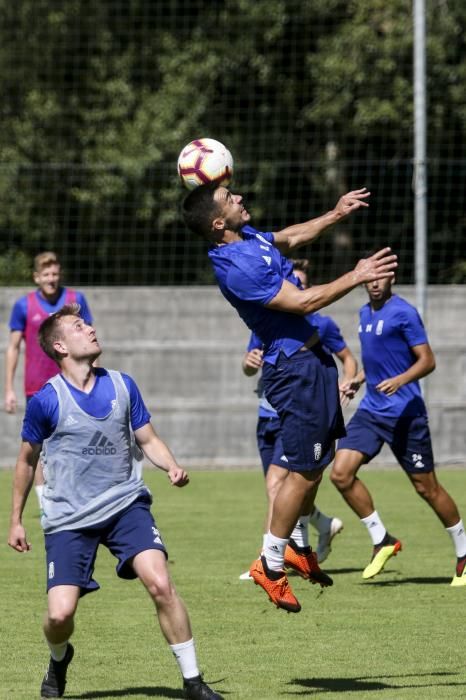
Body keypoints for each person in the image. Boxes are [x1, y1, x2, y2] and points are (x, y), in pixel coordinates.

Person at [182, 182, 397, 613]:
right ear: (218, 222)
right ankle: (271, 561)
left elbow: (292, 236)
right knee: (301, 470)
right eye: (230, 198)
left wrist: (335, 214)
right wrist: (355, 276)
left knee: (317, 464)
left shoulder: (250, 238)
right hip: (293, 371)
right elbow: (300, 301)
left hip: (313, 364)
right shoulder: (235, 266)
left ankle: (294, 546)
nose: (240, 197)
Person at [7, 304, 223, 700]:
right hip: (69, 517)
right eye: (78, 327)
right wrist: (16, 519)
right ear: (60, 346)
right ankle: (59, 658)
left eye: (86, 323)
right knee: (59, 615)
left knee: (160, 582)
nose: (89, 329)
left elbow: (148, 439)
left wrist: (171, 466)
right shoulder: (46, 401)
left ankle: (193, 682)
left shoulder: (123, 385)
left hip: (126, 505)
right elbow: (26, 460)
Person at [330, 275, 466, 586]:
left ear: (392, 277)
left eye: (382, 277)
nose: (376, 283)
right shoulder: (365, 313)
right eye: (371, 278)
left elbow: (427, 361)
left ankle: (464, 552)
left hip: (406, 414)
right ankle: (382, 539)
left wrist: (401, 381)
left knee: (426, 488)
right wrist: (359, 379)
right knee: (340, 473)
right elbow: (378, 361)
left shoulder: (404, 312)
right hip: (371, 411)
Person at [239, 258, 356, 580]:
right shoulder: (267, 321)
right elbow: (250, 366)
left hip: (299, 412)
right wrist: (249, 363)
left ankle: (270, 559)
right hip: (267, 414)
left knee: (280, 483)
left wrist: (348, 380)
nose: (296, 289)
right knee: (288, 486)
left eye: (301, 284)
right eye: (292, 283)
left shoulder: (320, 326)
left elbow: (348, 359)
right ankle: (318, 529)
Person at [4, 251, 93, 510]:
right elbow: (13, 348)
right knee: (38, 446)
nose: (51, 279)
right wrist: (8, 388)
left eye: (55, 274)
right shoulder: (24, 306)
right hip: (37, 386)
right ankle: (47, 505)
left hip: (74, 382)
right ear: (36, 277)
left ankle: (80, 493)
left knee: (79, 438)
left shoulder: (76, 300)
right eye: (46, 275)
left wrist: (94, 374)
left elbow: (89, 339)